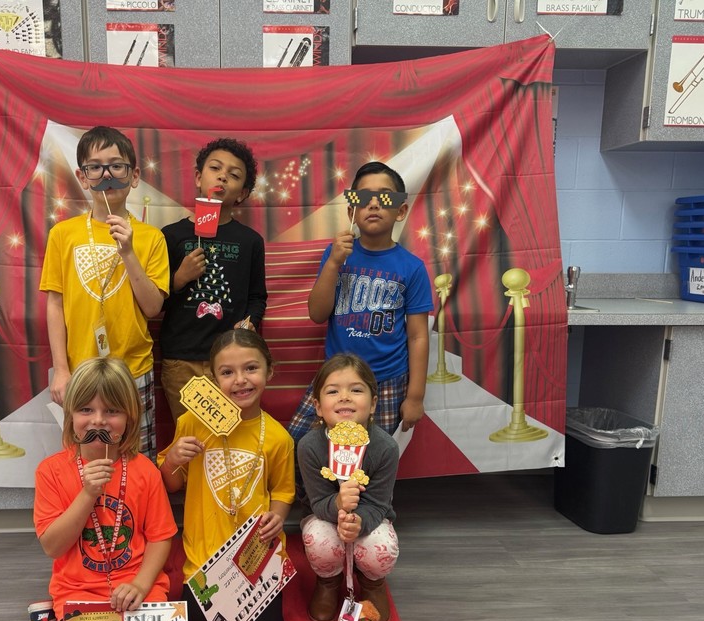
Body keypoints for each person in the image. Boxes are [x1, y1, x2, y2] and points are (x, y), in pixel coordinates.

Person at [28, 357, 178, 621]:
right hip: (79, 590)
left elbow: (160, 538)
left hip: (137, 587)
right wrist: (87, 494)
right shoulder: (51, 472)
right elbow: (52, 546)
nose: (98, 420)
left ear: (129, 418)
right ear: (70, 417)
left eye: (111, 411)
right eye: (85, 410)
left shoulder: (145, 471)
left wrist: (140, 585)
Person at [158, 329, 294, 621]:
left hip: (254, 560)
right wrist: (173, 458)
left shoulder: (278, 437)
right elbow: (171, 485)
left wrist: (277, 516)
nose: (240, 380)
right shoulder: (192, 422)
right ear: (212, 377)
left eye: (251, 368)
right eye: (227, 372)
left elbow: (283, 490)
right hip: (204, 561)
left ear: (269, 371)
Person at [40, 125, 169, 459]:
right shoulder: (63, 234)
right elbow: (55, 304)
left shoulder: (151, 238)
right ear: (83, 178)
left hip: (133, 367)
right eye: (95, 167)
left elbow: (153, 307)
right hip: (81, 369)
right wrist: (61, 369)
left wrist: (128, 252)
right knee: (87, 460)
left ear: (134, 175)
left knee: (136, 458)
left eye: (117, 166)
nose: (107, 175)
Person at [288, 160, 433, 442]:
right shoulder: (336, 253)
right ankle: (321, 490)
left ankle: (358, 490)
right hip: (336, 375)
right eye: (364, 197)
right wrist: (333, 264)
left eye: (386, 197)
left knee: (367, 457)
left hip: (387, 380)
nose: (374, 204)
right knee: (300, 444)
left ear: (401, 210)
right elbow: (317, 314)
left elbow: (417, 337)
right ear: (351, 210)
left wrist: (415, 396)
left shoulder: (412, 267)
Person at [159, 137, 267, 422]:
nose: (222, 177)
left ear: (242, 193)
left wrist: (251, 321)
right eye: (215, 169)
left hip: (233, 361)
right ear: (198, 177)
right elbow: (154, 298)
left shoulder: (250, 241)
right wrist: (179, 278)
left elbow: (258, 296)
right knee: (191, 438)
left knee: (231, 436)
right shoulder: (171, 235)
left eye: (234, 175)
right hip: (182, 357)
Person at [297, 353, 399, 621]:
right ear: (318, 406)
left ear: (373, 403)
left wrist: (359, 522)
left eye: (356, 390)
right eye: (333, 391)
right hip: (324, 515)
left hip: (369, 515)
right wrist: (339, 505)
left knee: (382, 548)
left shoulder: (385, 447)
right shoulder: (309, 446)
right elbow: (316, 503)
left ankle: (372, 583)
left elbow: (379, 504)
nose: (345, 397)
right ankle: (328, 582)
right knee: (320, 541)